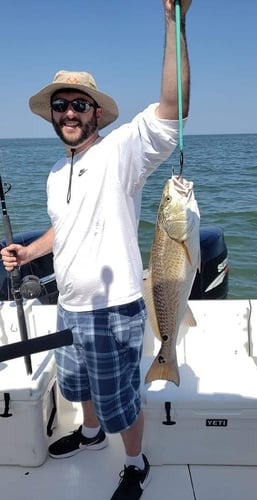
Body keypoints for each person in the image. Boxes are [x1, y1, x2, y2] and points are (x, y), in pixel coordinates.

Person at [1, 1, 191, 498]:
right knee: (77, 387)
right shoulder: (54, 174)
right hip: (68, 304)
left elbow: (173, 109)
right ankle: (87, 436)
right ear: (53, 115)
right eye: (60, 105)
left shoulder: (121, 151)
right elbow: (63, 228)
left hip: (114, 311)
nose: (68, 112)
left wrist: (175, 23)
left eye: (78, 104)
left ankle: (135, 462)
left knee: (120, 400)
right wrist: (28, 250)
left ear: (96, 112)